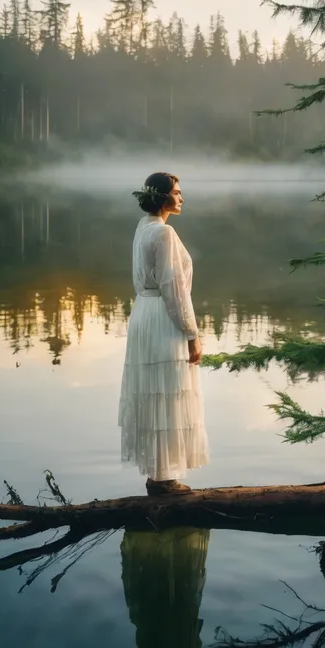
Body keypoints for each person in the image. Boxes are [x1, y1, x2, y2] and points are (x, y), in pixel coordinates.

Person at [118, 172, 209, 495]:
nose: (182, 198)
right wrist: (191, 334)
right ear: (164, 197)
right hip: (162, 317)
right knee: (168, 392)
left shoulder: (144, 228)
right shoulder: (164, 233)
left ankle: (158, 475)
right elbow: (174, 290)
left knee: (154, 392)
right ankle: (163, 479)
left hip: (143, 313)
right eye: (178, 192)